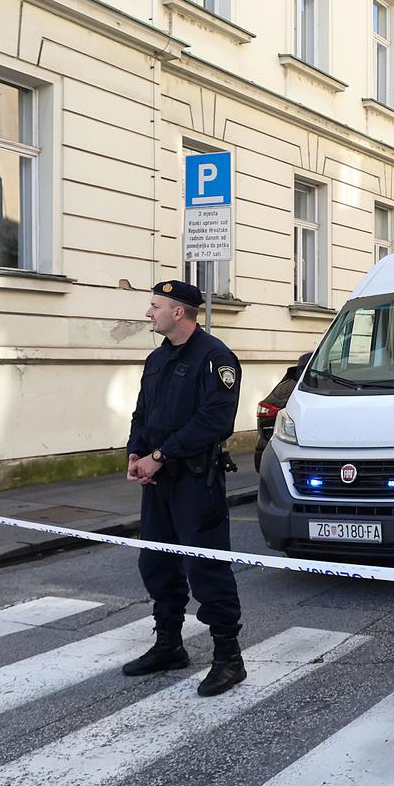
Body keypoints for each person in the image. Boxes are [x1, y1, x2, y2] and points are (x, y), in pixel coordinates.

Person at [121, 280, 246, 696]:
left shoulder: (215, 358)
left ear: (179, 312)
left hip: (195, 480)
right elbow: (143, 413)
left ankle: (229, 658)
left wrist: (162, 455)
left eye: (154, 306)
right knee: (157, 564)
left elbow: (215, 421)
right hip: (158, 482)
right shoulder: (157, 359)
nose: (148, 313)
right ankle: (169, 645)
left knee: (206, 567)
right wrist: (136, 456)